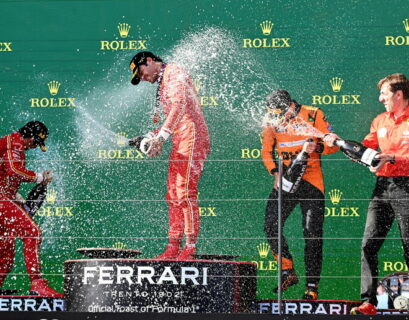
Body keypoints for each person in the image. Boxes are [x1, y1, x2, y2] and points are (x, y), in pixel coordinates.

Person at [332, 73, 409, 315]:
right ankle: (368, 302)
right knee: (368, 245)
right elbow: (364, 150)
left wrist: (394, 157)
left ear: (398, 94)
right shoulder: (379, 121)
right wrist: (338, 142)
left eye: (384, 93)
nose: (380, 98)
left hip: (407, 187)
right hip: (382, 188)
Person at [129, 51, 210, 260]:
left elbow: (179, 107)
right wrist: (148, 136)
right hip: (180, 137)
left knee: (184, 193)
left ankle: (190, 248)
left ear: (149, 61)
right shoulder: (163, 80)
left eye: (142, 73)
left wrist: (160, 138)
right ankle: (173, 246)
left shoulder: (174, 71)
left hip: (192, 136)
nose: (144, 79)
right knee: (173, 194)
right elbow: (172, 120)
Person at [261, 89, 338, 300]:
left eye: (281, 113)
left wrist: (318, 147)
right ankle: (287, 270)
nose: (278, 117)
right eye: (274, 113)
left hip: (312, 182)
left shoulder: (313, 114)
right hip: (286, 180)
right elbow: (266, 152)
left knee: (312, 234)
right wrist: (275, 173)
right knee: (270, 223)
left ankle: (312, 287)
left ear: (292, 106)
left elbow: (333, 145)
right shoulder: (271, 120)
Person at [0, 121, 63, 297]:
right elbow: (13, 170)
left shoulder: (11, 144)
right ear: (30, 137)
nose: (34, 147)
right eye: (35, 143)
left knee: (5, 255)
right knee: (32, 233)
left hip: (5, 198)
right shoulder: (15, 143)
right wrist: (39, 177)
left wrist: (15, 196)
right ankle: (38, 284)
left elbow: (5, 173)